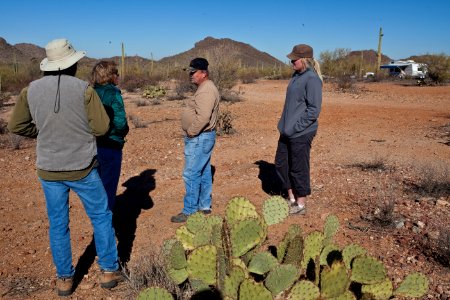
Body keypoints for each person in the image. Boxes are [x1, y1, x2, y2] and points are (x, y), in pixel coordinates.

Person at [7, 39, 122, 296]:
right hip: (82, 167)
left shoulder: (30, 90)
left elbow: (16, 126)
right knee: (101, 216)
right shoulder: (84, 89)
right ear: (73, 64)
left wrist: (42, 132)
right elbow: (101, 127)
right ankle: (108, 270)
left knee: (58, 224)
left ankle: (64, 280)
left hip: (49, 169)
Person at [275, 44, 323, 215]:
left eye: (294, 60)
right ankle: (291, 197)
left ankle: (300, 203)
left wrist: (296, 127)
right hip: (287, 130)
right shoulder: (296, 76)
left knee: (298, 166)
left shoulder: (312, 79)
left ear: (304, 60)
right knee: (281, 164)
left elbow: (314, 110)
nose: (291, 62)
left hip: (301, 131)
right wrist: (283, 125)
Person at [171, 58, 220, 223]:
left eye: (194, 72)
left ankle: (190, 210)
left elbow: (204, 117)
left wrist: (191, 132)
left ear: (203, 73)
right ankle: (204, 206)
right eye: (190, 72)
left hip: (200, 137)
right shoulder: (205, 87)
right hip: (204, 137)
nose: (190, 75)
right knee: (204, 171)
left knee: (191, 173)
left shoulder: (206, 90)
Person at [91, 61, 129, 211]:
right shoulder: (113, 93)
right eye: (116, 73)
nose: (118, 76)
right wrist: (124, 131)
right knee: (108, 186)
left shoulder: (90, 92)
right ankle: (106, 228)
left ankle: (99, 220)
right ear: (110, 76)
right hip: (111, 144)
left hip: (92, 145)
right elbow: (120, 123)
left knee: (96, 186)